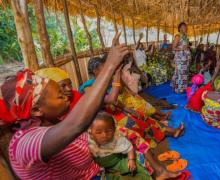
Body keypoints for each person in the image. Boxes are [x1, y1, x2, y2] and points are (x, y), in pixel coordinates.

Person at [0, 33, 179, 179]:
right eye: (60, 94)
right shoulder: (25, 143)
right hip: (95, 172)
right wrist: (110, 66)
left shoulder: (51, 118)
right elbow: (77, 124)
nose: (66, 95)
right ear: (36, 110)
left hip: (98, 164)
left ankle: (158, 169)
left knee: (128, 133)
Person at [88, 112, 151, 180]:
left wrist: (131, 160)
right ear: (91, 133)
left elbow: (129, 148)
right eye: (98, 132)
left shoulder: (117, 137)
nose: (104, 135)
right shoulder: (88, 142)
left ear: (114, 129)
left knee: (137, 167)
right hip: (102, 168)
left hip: (119, 161)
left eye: (108, 131)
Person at [171, 22, 191, 94]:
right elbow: (173, 47)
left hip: (186, 58)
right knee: (179, 73)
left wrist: (188, 48)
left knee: (185, 73)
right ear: (179, 28)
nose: (185, 28)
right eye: (183, 27)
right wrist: (182, 48)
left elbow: (186, 46)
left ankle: (184, 88)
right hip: (180, 58)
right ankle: (178, 89)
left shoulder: (186, 37)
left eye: (185, 27)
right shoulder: (177, 36)